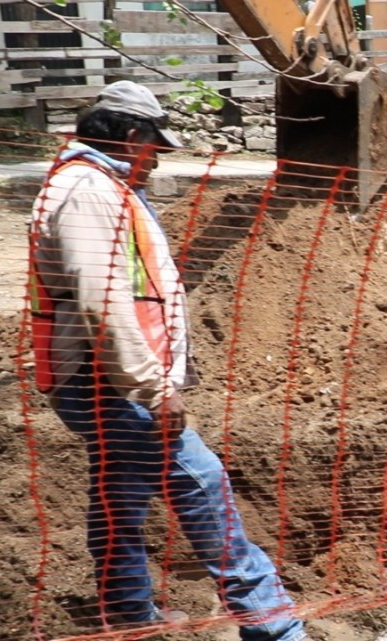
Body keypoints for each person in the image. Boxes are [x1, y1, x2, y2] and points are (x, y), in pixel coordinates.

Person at [28, 80, 308, 641]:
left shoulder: (100, 184)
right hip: (106, 381)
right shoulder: (89, 190)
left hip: (100, 377)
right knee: (202, 482)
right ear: (132, 138)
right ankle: (275, 628)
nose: (156, 161)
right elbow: (101, 301)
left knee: (121, 488)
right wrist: (155, 388)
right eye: (155, 147)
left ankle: (129, 610)